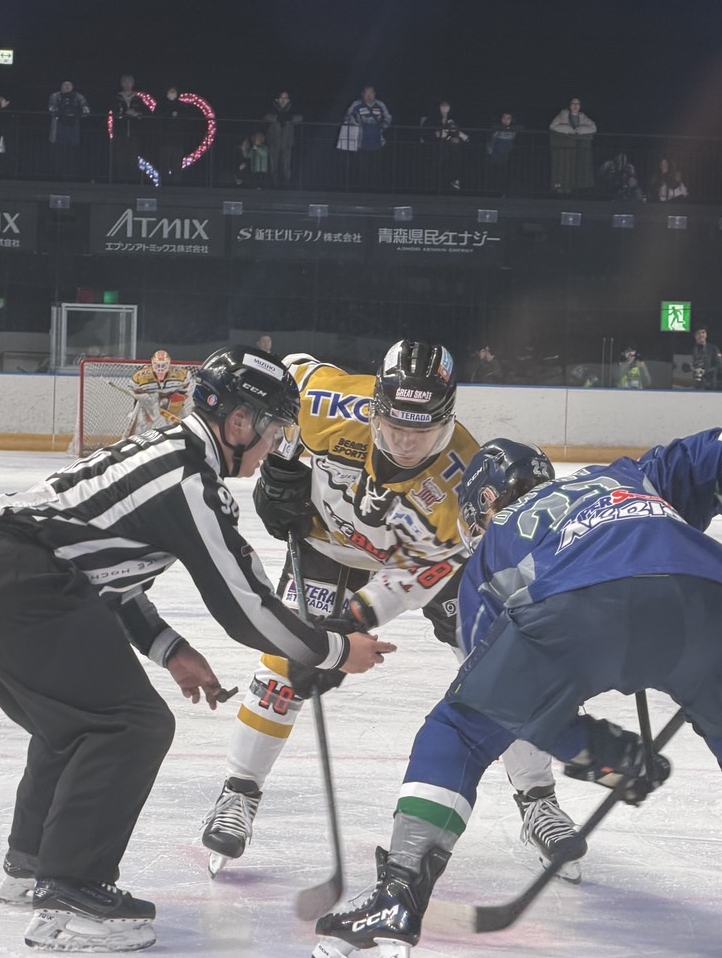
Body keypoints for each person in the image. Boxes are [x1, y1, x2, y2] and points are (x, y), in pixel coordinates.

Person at [311, 435, 722, 958]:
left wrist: (594, 751)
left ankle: (397, 898)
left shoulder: (493, 544)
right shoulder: (624, 476)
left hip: (575, 609)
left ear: (486, 500)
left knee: (457, 729)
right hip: (712, 597)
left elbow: (507, 707)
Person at [0, 345, 394, 953]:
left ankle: (32, 866)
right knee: (130, 725)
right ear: (239, 422)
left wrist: (171, 649)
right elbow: (246, 607)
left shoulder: (168, 454)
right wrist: (334, 651)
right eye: (275, 430)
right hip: (21, 587)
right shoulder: (188, 479)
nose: (275, 447)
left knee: (72, 725)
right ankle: (71, 894)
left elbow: (105, 578)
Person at [200, 342, 585, 880]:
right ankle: (239, 791)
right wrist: (281, 466)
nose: (405, 443)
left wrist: (352, 621)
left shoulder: (463, 480)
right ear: (375, 409)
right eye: (395, 426)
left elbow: (413, 575)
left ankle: (538, 799)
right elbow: (288, 379)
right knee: (286, 663)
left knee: (501, 667)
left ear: (447, 422)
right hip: (327, 547)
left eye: (421, 432)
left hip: (417, 563)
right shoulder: (329, 401)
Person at [119, 349, 197, 439]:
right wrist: (141, 397)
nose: (160, 368)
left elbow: (186, 388)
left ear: (169, 363)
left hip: (170, 398)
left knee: (179, 421)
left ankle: (181, 437)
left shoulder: (181, 374)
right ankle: (137, 438)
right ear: (152, 363)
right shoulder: (141, 377)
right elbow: (133, 389)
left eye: (163, 365)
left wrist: (178, 397)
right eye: (157, 365)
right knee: (143, 422)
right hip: (150, 399)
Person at [341, 85, 392, 189]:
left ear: (374, 94)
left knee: (376, 168)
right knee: (361, 167)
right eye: (367, 93)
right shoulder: (357, 104)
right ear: (362, 94)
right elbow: (348, 116)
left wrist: (385, 124)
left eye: (371, 93)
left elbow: (388, 117)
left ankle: (375, 189)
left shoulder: (380, 104)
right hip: (360, 143)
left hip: (377, 143)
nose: (369, 96)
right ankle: (360, 189)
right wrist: (355, 123)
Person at [548, 97, 596, 195]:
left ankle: (572, 188)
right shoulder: (563, 115)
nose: (575, 106)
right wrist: (568, 130)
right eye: (573, 104)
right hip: (564, 146)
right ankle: (560, 187)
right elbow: (553, 126)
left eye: (577, 104)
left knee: (574, 168)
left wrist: (580, 130)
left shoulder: (582, 117)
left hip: (577, 148)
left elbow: (593, 127)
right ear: (570, 106)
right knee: (563, 167)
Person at [48, 80, 89, 180]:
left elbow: (86, 110)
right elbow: (51, 108)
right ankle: (56, 176)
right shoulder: (55, 96)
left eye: (69, 85)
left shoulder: (78, 97)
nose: (66, 86)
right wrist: (62, 113)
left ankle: (71, 175)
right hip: (58, 128)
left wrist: (76, 114)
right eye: (64, 85)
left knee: (72, 152)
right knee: (58, 152)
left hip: (73, 128)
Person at [111, 74, 149, 182]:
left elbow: (144, 113)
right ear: (121, 84)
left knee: (133, 156)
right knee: (120, 156)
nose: (127, 84)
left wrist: (137, 114)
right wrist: (124, 113)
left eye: (129, 82)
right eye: (125, 82)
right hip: (120, 131)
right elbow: (114, 111)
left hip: (134, 131)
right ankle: (120, 180)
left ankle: (132, 180)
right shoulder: (116, 97)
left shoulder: (139, 98)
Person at [262, 90, 302, 188]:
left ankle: (286, 185)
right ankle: (274, 185)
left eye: (286, 98)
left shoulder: (293, 109)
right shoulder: (271, 108)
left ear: (289, 100)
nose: (284, 100)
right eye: (281, 98)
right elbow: (266, 117)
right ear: (277, 99)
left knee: (286, 166)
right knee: (273, 166)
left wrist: (289, 118)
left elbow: (299, 118)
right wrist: (277, 118)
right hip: (273, 141)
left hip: (287, 142)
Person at [691, 324, 722, 390]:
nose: (701, 335)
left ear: (706, 335)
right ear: (695, 336)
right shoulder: (692, 349)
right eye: (698, 333)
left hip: (710, 385)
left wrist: (705, 371)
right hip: (695, 385)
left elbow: (719, 365)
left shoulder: (713, 349)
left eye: (703, 332)